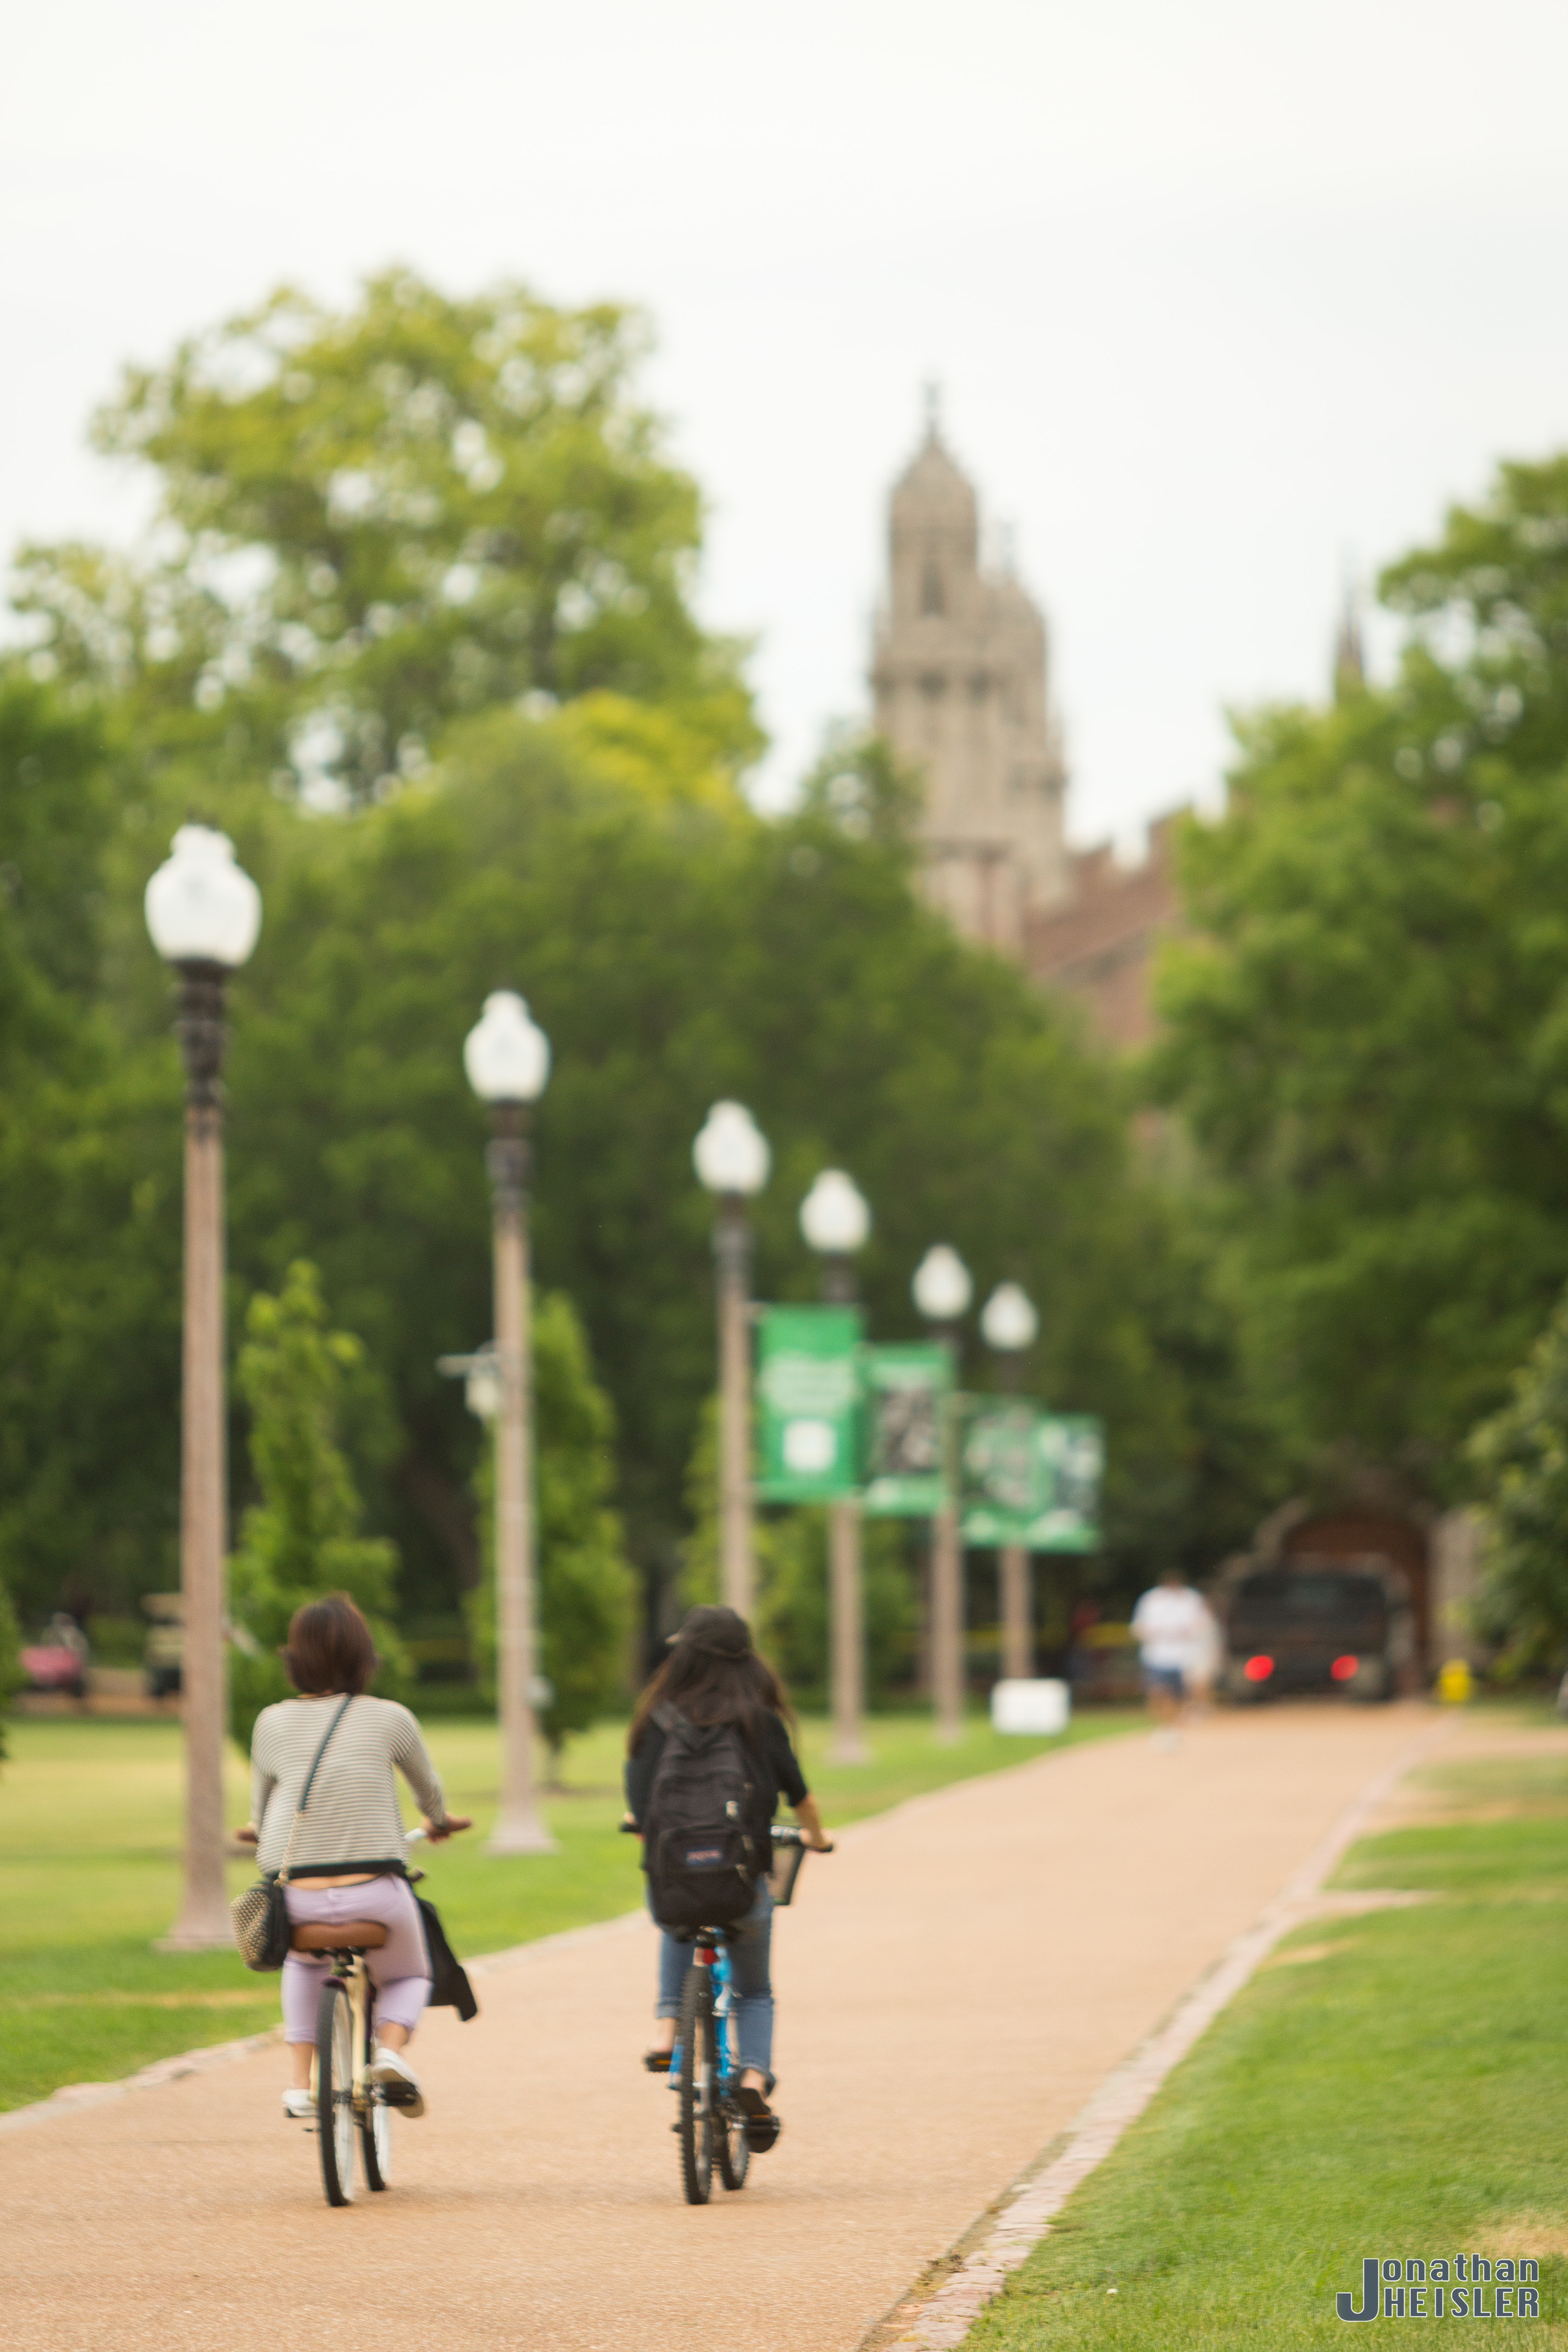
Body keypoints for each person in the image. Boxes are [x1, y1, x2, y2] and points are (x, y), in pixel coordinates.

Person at [238, 1593, 471, 2121]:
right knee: (411, 1974)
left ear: (294, 1658)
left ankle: (300, 2084)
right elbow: (428, 1792)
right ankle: (388, 2053)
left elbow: (259, 1811)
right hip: (376, 1893)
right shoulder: (391, 1717)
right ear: (366, 1657)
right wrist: (437, 1822)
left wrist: (255, 1832)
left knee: (302, 1962)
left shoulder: (270, 1722)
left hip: (298, 1898)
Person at [624, 1605, 831, 2149]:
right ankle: (754, 2078)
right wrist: (817, 1837)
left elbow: (639, 1802)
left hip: (676, 1881)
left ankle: (668, 2031)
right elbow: (799, 1794)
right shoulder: (760, 1722)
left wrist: (641, 1823)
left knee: (676, 1920)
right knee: (755, 1991)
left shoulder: (659, 1718)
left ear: (684, 1656)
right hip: (743, 1881)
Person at [1130, 1568, 1211, 1747]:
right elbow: (1139, 1628)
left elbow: (1202, 1625)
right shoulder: (1151, 1600)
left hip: (1184, 1657)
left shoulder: (1191, 1599)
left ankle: (1172, 1727)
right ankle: (1164, 1726)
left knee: (1179, 1696)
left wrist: (1185, 1633)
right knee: (1158, 1692)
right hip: (1157, 1656)